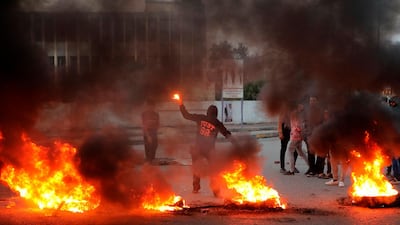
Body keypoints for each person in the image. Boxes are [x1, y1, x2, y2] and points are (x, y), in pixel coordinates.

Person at [178, 100, 232, 194]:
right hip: (209, 150)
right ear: (216, 113)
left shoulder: (201, 118)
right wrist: (237, 144)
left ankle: (196, 188)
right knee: (213, 169)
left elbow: (186, 115)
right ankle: (216, 190)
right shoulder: (217, 123)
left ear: (207, 112)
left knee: (196, 167)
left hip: (198, 148)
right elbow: (227, 134)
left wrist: (180, 104)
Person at [284, 102, 309, 175]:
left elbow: (298, 126)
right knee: (300, 152)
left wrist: (299, 131)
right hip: (298, 135)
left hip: (295, 135)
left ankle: (291, 170)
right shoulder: (298, 114)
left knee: (290, 151)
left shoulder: (295, 114)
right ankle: (311, 166)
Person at [304, 96, 324, 177]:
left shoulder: (320, 111)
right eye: (310, 100)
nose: (311, 102)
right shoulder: (307, 111)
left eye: (313, 100)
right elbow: (305, 122)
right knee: (310, 153)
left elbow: (322, 122)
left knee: (320, 153)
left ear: (317, 101)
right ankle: (312, 169)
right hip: (309, 134)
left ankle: (319, 170)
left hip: (318, 134)